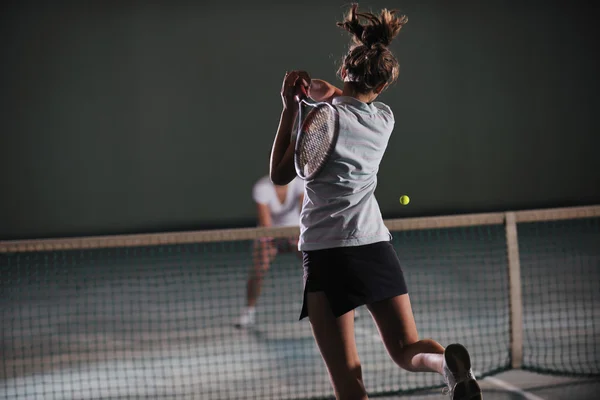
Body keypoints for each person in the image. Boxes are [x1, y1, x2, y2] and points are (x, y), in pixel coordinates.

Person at [268, 4, 482, 400]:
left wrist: (289, 108)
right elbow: (337, 95)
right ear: (381, 87)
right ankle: (443, 366)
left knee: (348, 379)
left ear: (344, 70)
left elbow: (279, 174)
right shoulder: (383, 119)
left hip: (326, 254)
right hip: (373, 246)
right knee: (406, 349)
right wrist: (320, 91)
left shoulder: (320, 123)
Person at [235, 175, 304, 328]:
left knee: (318, 268)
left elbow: (304, 212)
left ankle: (336, 306)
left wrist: (299, 234)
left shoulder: (300, 184)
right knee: (258, 271)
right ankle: (248, 312)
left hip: (295, 231)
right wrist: (274, 238)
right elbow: (266, 223)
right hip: (270, 234)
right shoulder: (262, 188)